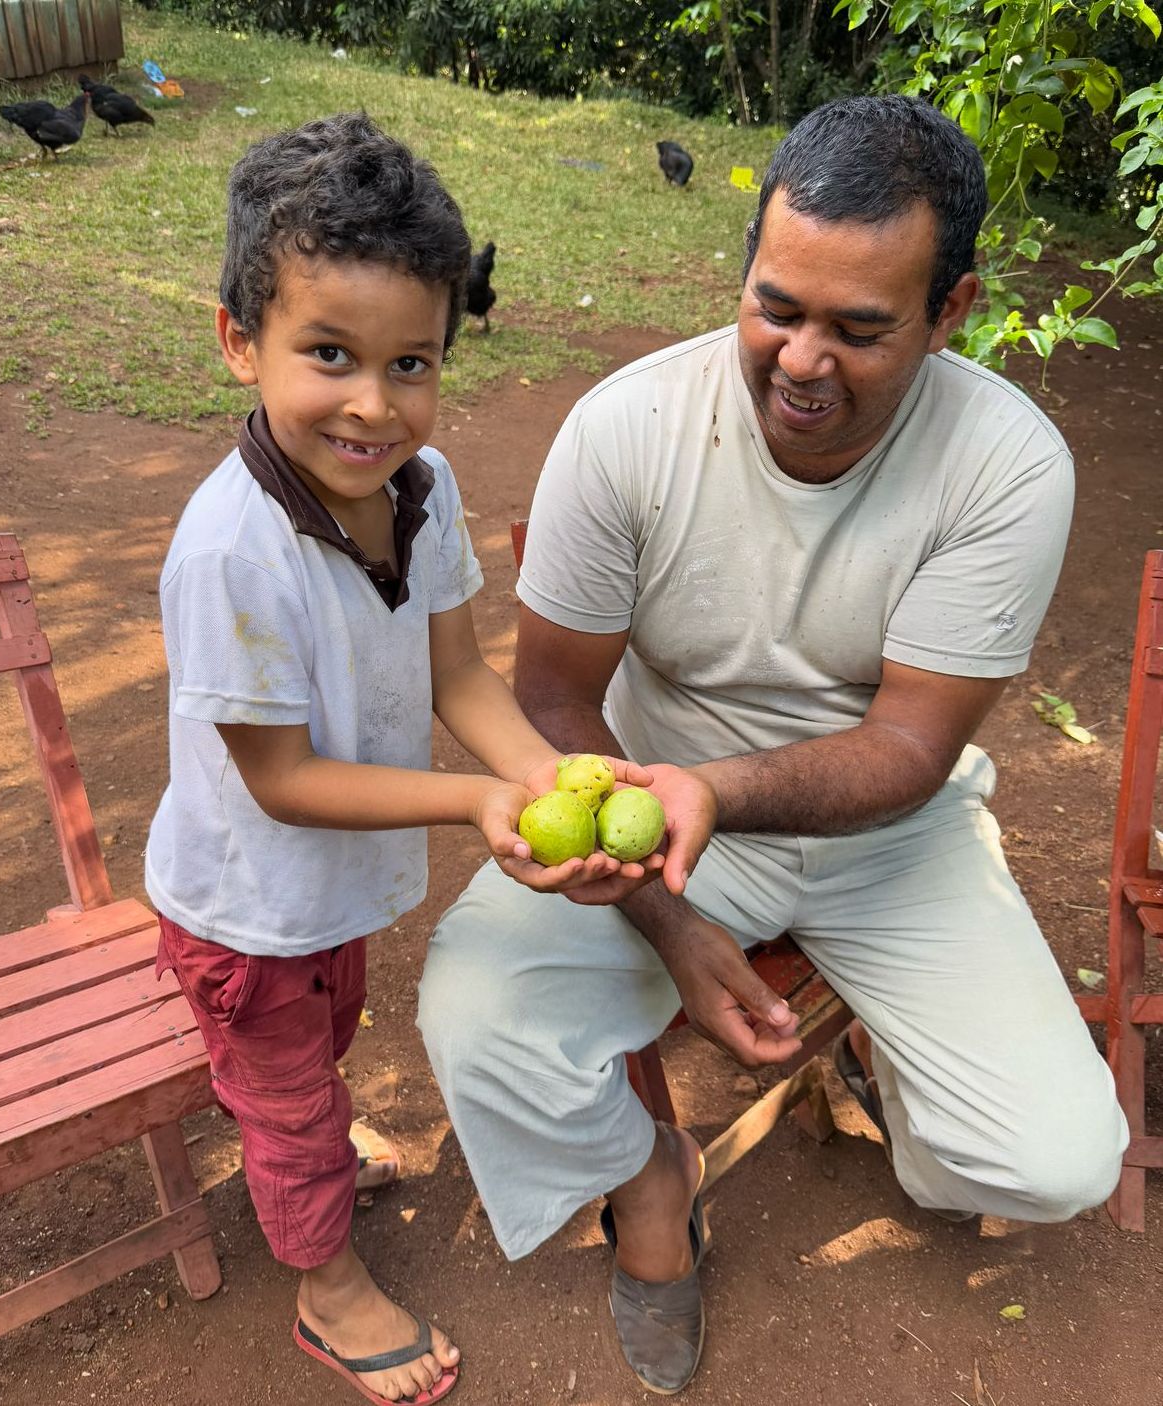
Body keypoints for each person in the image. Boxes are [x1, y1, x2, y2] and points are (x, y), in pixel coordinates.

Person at [417, 94, 1130, 1395]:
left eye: (859, 329)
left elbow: (910, 745)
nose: (801, 361)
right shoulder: (627, 431)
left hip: (892, 834)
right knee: (475, 1014)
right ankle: (650, 1188)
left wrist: (711, 792)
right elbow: (558, 703)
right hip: (664, 811)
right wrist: (674, 922)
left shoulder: (1007, 465)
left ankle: (901, 1075)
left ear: (951, 310)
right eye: (775, 306)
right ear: (745, 264)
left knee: (1059, 1160)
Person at [143, 112, 665, 1406]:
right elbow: (283, 779)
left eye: (411, 361)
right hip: (244, 905)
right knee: (286, 1096)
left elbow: (462, 677)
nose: (374, 402)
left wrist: (545, 779)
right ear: (237, 340)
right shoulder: (230, 552)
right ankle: (326, 1289)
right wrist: (479, 798)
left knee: (329, 1038)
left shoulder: (418, 491)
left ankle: (303, 1134)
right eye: (330, 354)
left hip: (330, 895)